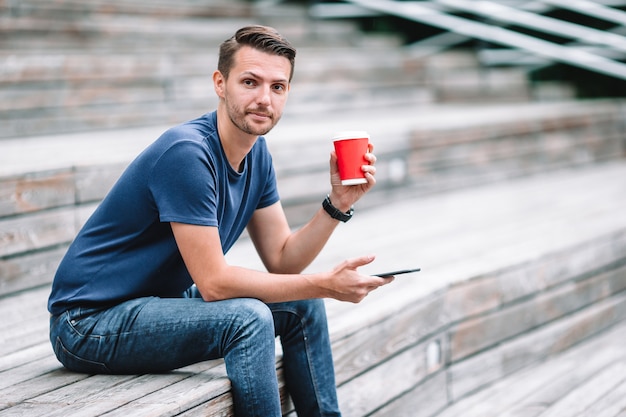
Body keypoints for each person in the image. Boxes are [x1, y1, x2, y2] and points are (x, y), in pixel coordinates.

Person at [48, 25, 393, 417]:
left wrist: (337, 203)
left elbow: (283, 261)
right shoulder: (187, 154)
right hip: (87, 323)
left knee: (303, 304)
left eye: (277, 87)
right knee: (248, 319)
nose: (264, 99)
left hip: (158, 304)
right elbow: (213, 284)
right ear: (220, 83)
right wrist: (326, 284)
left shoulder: (257, 155)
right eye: (250, 82)